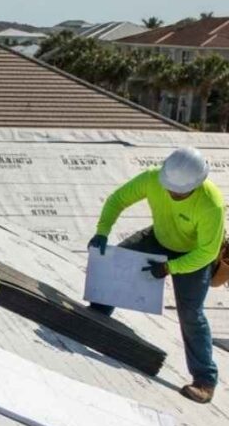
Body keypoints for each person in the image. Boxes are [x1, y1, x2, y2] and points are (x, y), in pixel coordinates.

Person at [88, 147, 225, 403]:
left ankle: (205, 380)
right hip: (159, 238)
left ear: (197, 184)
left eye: (180, 192)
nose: (172, 193)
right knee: (117, 265)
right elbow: (118, 199)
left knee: (191, 314)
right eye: (170, 188)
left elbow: (207, 252)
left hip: (193, 255)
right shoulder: (153, 179)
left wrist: (169, 268)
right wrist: (103, 231)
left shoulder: (211, 203)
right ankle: (95, 321)